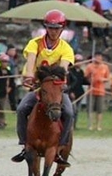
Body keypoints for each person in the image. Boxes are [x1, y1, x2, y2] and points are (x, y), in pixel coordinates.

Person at [10, 9, 75, 167]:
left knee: (69, 112)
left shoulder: (66, 48)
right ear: (46, 28)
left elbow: (63, 68)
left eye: (57, 28)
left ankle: (61, 146)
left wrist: (56, 80)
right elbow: (31, 61)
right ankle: (25, 144)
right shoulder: (35, 43)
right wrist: (29, 76)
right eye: (50, 28)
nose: (53, 31)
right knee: (21, 109)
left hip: (55, 87)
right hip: (39, 88)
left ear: (62, 28)